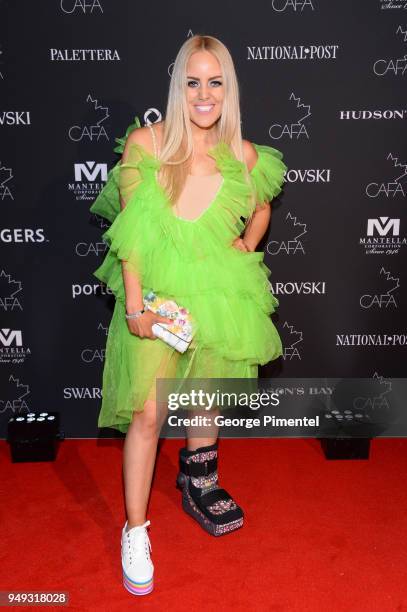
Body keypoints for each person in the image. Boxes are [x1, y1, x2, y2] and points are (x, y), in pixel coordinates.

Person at [90, 34, 287, 596]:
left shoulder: (243, 155)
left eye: (215, 81)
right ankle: (135, 529)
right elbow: (131, 237)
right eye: (193, 81)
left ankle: (199, 481)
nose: (205, 93)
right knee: (149, 415)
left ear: (229, 89)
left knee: (205, 397)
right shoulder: (145, 144)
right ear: (178, 87)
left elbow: (264, 202)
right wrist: (134, 308)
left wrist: (245, 246)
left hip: (217, 292)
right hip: (159, 296)